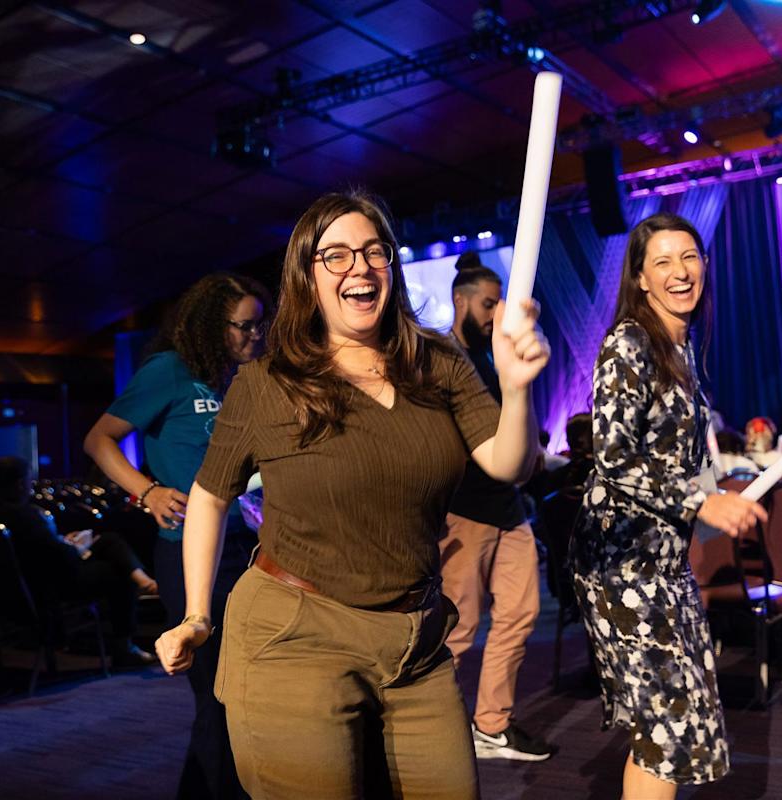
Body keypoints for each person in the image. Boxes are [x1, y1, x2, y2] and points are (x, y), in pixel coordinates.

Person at [154, 191, 549, 799]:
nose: (359, 268)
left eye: (373, 252)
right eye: (335, 256)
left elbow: (507, 463)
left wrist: (518, 390)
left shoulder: (437, 361)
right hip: (294, 635)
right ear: (306, 278)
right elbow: (209, 496)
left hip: (415, 642)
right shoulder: (268, 383)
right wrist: (197, 615)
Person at [570, 213, 766, 799]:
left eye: (690, 257)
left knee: (670, 725)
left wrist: (721, 486)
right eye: (663, 261)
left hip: (662, 564)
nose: (681, 272)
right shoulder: (629, 341)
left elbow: (675, 458)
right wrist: (702, 502)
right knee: (669, 727)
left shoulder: (680, 350)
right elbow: (611, 455)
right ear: (641, 278)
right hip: (621, 567)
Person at [83, 272, 269, 800]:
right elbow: (99, 440)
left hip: (249, 550)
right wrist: (147, 492)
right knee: (217, 697)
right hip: (189, 554)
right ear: (213, 325)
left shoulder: (243, 377)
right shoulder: (171, 370)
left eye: (260, 326)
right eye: (245, 327)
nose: (256, 336)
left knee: (241, 696)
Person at [439, 256, 550, 761]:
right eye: (487, 304)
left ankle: (492, 724)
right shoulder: (442, 358)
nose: (493, 314)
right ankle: (434, 729)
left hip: (508, 508)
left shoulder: (492, 355)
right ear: (460, 300)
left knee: (519, 615)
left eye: (498, 305)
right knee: (458, 629)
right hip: (463, 512)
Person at [0, 456, 157, 666]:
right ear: (21, 483)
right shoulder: (25, 516)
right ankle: (125, 645)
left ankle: (142, 580)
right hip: (50, 587)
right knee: (116, 572)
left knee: (108, 541)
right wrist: (75, 547)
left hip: (17, 588)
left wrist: (65, 542)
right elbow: (61, 558)